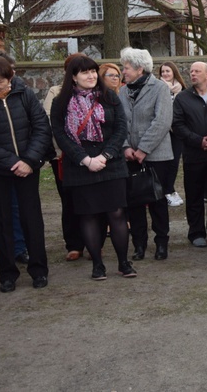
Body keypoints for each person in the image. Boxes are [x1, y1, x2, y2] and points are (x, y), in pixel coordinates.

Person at [51, 54, 136, 280]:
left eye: (92, 71)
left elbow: (120, 128)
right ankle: (97, 265)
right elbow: (60, 135)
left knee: (116, 213)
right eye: (84, 72)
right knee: (88, 216)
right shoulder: (60, 102)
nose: (90, 76)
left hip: (111, 162)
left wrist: (105, 155)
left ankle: (123, 263)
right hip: (80, 165)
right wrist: (86, 159)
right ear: (74, 77)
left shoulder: (109, 96)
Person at [0, 56, 52, 292]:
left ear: (10, 78)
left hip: (28, 169)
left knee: (31, 220)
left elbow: (40, 127)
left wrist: (28, 161)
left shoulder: (24, 95)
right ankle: (7, 274)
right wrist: (11, 161)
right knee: (1, 221)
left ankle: (39, 270)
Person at [119, 47, 174, 261]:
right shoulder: (123, 91)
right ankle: (139, 245)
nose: (123, 71)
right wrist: (125, 147)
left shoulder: (159, 87)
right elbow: (120, 123)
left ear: (139, 68)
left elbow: (162, 121)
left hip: (157, 155)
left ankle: (162, 243)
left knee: (158, 201)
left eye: (126, 67)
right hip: (130, 156)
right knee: (134, 203)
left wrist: (143, 149)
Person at [172, 61, 207, 248]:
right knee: (194, 195)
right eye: (191, 71)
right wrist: (198, 140)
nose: (192, 74)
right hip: (194, 155)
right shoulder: (182, 98)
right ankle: (196, 232)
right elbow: (177, 125)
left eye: (197, 71)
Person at [44, 54, 85, 261]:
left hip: (90, 156)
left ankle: (92, 240)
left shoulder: (94, 92)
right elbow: (52, 124)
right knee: (68, 201)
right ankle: (74, 243)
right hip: (64, 156)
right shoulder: (56, 92)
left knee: (90, 200)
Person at [158, 61, 187, 207]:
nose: (165, 74)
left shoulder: (182, 90)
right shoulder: (157, 88)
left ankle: (170, 189)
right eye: (163, 72)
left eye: (168, 71)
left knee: (174, 161)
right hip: (163, 131)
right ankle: (165, 191)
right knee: (164, 162)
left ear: (174, 72)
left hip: (177, 132)